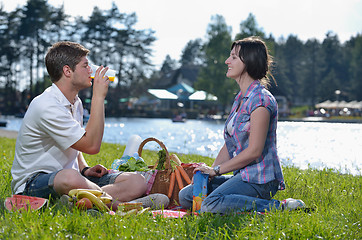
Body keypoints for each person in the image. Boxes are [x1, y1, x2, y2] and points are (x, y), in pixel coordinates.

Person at [11, 41, 168, 210]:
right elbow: (92, 145)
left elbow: (75, 141)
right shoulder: (47, 105)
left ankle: (80, 202)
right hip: (34, 182)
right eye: (85, 65)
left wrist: (85, 169)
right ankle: (121, 207)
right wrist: (98, 97)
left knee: (136, 181)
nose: (91, 70)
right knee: (70, 178)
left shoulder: (75, 102)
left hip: (73, 177)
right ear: (67, 71)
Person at [179, 36, 305, 214]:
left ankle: (282, 207)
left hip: (261, 180)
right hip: (243, 177)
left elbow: (255, 151)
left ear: (248, 62)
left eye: (233, 57)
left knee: (209, 204)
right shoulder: (240, 98)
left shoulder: (261, 100)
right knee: (187, 195)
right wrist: (207, 175)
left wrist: (216, 170)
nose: (227, 61)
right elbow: (230, 144)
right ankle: (237, 201)